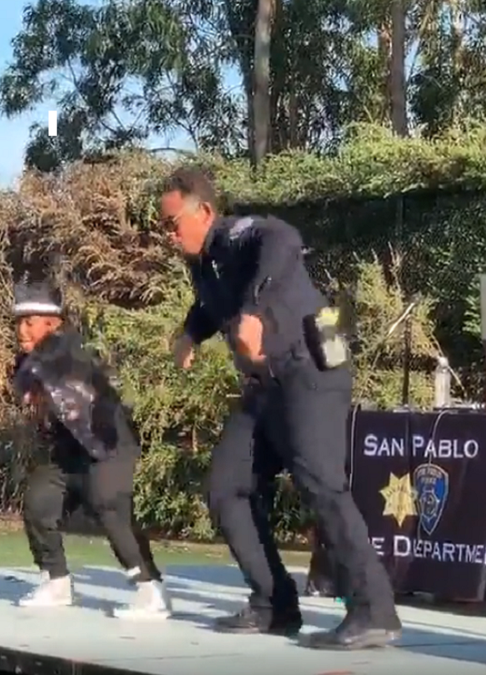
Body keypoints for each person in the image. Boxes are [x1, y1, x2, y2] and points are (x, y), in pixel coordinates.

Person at [159, 167, 401, 650]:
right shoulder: (205, 264)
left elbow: (284, 238)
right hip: (266, 385)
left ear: (204, 212)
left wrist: (252, 312)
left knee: (321, 483)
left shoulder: (238, 235)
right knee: (227, 487)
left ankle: (375, 612)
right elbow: (211, 306)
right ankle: (274, 604)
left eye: (173, 223)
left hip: (312, 366)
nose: (168, 235)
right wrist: (190, 332)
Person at [9, 279, 172, 621]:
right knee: (39, 501)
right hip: (71, 452)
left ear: (52, 324)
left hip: (108, 445)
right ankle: (56, 583)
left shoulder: (62, 346)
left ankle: (150, 590)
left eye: (30, 321)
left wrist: (28, 381)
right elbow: (27, 386)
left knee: (110, 508)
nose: (21, 329)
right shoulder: (30, 359)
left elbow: (46, 365)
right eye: (18, 322)